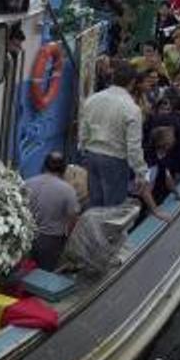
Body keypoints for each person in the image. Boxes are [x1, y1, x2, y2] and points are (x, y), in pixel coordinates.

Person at [80, 65, 147, 208]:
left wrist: (83, 149)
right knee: (113, 209)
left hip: (92, 156)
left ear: (112, 78)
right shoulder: (132, 109)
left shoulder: (92, 99)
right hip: (115, 160)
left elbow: (83, 130)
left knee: (95, 204)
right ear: (132, 82)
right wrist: (140, 172)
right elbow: (134, 147)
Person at [23, 152, 80, 271]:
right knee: (44, 275)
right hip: (51, 241)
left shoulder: (28, 183)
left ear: (44, 165)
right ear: (64, 169)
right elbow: (72, 219)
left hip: (27, 236)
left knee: (25, 271)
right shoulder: (68, 190)